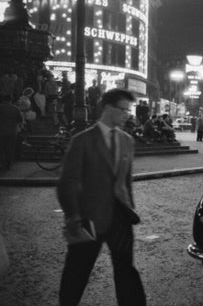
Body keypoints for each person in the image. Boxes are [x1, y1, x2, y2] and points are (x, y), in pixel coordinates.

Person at [57, 89, 146, 306]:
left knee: (126, 270)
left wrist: (130, 209)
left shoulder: (127, 140)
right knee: (77, 270)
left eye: (129, 110)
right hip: (89, 218)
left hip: (121, 218)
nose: (127, 115)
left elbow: (125, 181)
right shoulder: (82, 140)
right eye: (123, 109)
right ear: (107, 108)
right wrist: (73, 215)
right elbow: (67, 182)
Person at [0, 95, 23, 170]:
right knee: (10, 148)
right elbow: (20, 120)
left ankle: (2, 163)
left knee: (2, 148)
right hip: (12, 131)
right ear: (10, 100)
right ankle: (8, 164)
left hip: (1, 131)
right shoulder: (16, 108)